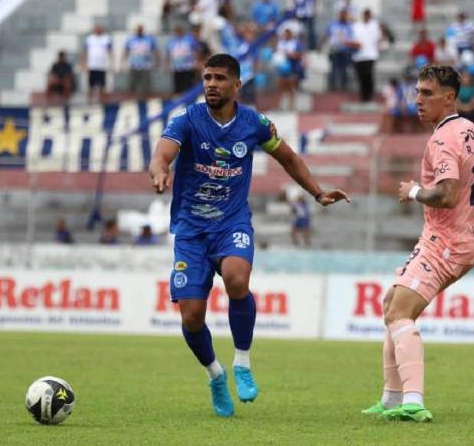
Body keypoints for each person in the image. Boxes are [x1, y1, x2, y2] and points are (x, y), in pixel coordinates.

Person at [148, 53, 350, 418]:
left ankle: (242, 361)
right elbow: (162, 153)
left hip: (231, 223)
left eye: (220, 78)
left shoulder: (253, 123)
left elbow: (287, 157)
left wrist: (317, 192)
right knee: (192, 317)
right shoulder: (188, 121)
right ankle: (215, 374)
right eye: (207, 77)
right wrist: (160, 170)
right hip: (191, 232)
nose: (211, 84)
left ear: (236, 85)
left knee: (237, 279)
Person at [361, 65, 474, 422]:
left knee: (399, 312)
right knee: (392, 302)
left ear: (449, 98)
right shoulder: (473, 131)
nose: (418, 100)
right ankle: (392, 398)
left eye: (427, 93)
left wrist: (412, 191)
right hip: (454, 239)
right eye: (417, 91)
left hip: (446, 242)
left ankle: (412, 399)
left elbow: (445, 194)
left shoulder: (443, 139)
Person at [81, 24, 113, 104]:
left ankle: (102, 103)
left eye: (100, 29)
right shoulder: (90, 39)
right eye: (97, 29)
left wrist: (111, 63)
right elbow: (85, 52)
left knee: (102, 86)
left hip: (102, 66)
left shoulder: (106, 38)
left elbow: (110, 52)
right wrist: (83, 63)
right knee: (90, 86)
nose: (98, 30)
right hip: (92, 65)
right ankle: (89, 102)